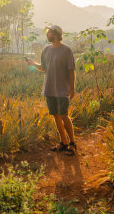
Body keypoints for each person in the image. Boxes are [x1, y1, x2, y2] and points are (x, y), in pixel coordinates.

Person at [26, 25, 77, 155]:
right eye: (47, 32)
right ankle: (63, 142)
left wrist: (72, 88)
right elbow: (43, 68)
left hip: (62, 89)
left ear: (56, 34)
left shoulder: (66, 50)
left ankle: (72, 143)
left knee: (64, 115)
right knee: (56, 115)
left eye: (49, 32)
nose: (47, 34)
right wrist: (32, 63)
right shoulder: (46, 50)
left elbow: (71, 70)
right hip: (49, 88)